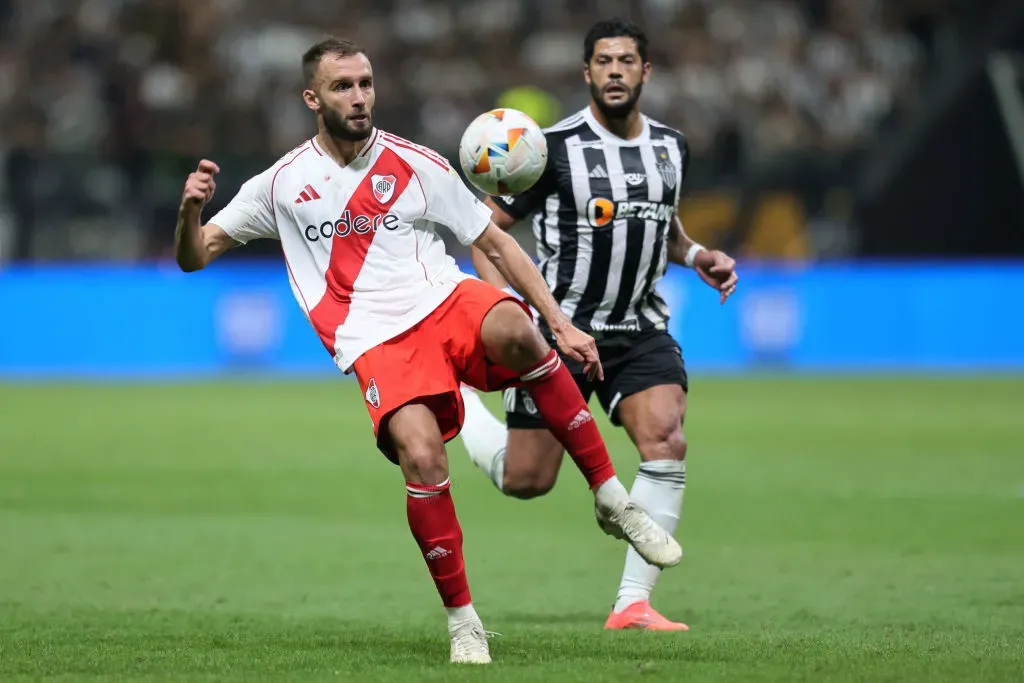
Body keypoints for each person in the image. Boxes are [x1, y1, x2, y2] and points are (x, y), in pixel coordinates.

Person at [173, 37, 682, 665]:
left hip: (442, 299)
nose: (359, 97)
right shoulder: (281, 184)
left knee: (519, 331)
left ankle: (611, 497)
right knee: (421, 459)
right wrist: (190, 212)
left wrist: (560, 322)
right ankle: (464, 622)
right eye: (342, 87)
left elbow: (494, 243)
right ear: (313, 99)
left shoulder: (417, 163)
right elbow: (196, 256)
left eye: (365, 83)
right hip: (374, 339)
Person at [458, 18, 739, 632]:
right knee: (527, 479)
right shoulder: (550, 149)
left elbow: (662, 225)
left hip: (639, 328)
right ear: (586, 72)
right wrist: (505, 306)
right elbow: (484, 233)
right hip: (560, 331)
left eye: (626, 60)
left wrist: (697, 256)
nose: (615, 71)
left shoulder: (671, 146)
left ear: (646, 71)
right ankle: (463, 407)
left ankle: (632, 604)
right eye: (604, 61)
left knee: (666, 439)